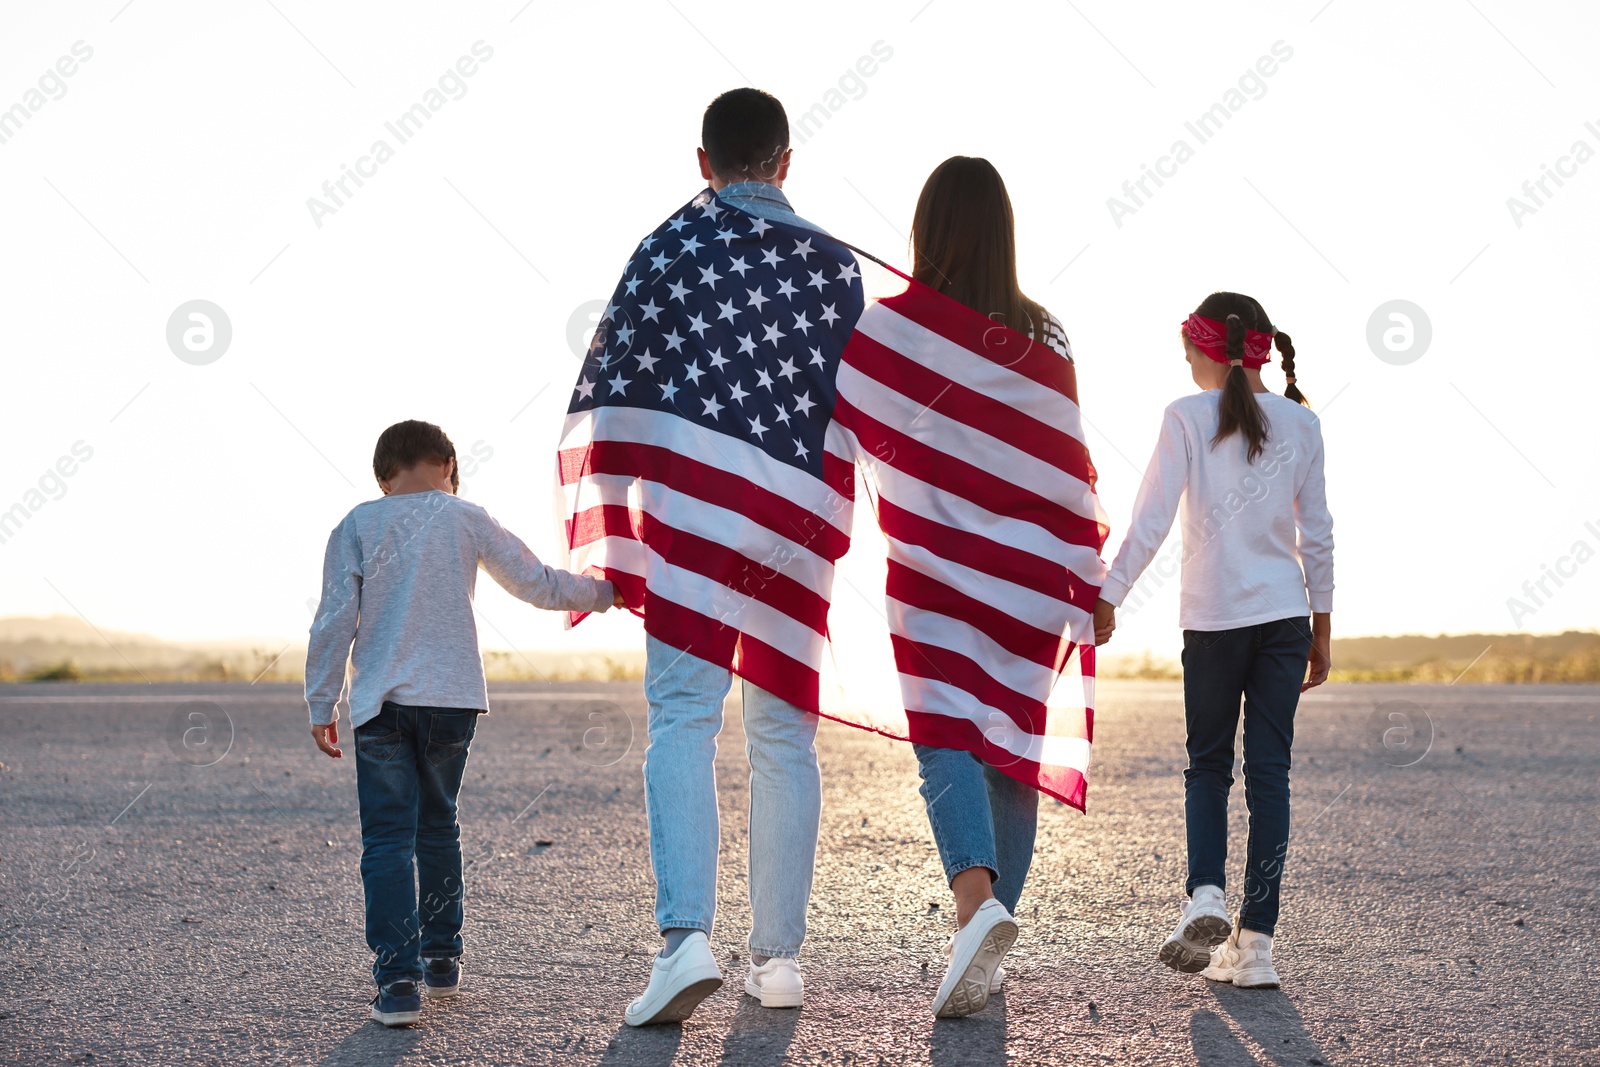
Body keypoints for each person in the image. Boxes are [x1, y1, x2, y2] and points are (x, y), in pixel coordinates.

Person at [619, 88, 835, 1027]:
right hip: (798, 528)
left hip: (691, 524)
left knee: (682, 720)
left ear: (701, 163)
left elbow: (620, 394)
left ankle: (684, 944)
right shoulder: (833, 266)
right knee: (784, 735)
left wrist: (623, 528)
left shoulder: (661, 253)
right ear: (786, 162)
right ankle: (778, 960)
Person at [304, 419, 619, 1027]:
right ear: (448, 463)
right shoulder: (465, 516)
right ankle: (443, 961)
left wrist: (322, 705)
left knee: (388, 839)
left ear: (382, 477)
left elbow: (334, 620)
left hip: (381, 707)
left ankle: (398, 984)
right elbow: (537, 584)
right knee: (438, 826)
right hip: (451, 701)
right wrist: (608, 593)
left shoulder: (357, 525)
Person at [1093, 294, 1333, 989]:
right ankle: (1255, 943)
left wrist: (1110, 595)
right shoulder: (1302, 422)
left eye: (1187, 351)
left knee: (1207, 765)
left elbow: (1150, 520)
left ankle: (1206, 895)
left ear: (1205, 349)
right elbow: (1317, 533)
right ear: (1262, 350)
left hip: (1214, 621)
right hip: (1286, 619)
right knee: (1269, 775)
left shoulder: (1186, 417)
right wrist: (1322, 629)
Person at [904, 155, 1074, 1018]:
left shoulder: (898, 325)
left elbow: (854, 426)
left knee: (944, 735)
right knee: (1008, 751)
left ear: (926, 230)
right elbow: (1068, 457)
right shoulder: (1047, 335)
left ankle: (977, 909)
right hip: (1035, 574)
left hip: (936, 568)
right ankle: (993, 934)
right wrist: (1083, 570)